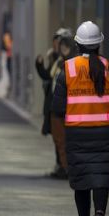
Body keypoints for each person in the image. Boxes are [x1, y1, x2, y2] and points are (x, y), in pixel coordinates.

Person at [52, 21, 109, 216]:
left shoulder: (68, 70)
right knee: (101, 178)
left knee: (82, 182)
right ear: (99, 45)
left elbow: (57, 108)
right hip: (105, 135)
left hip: (77, 136)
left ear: (77, 44)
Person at [36, 28, 74, 179]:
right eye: (57, 42)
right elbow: (48, 76)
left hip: (65, 107)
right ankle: (62, 166)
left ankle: (66, 168)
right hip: (55, 106)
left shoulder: (69, 61)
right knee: (58, 139)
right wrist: (39, 65)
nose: (58, 45)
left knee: (64, 140)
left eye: (62, 42)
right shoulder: (57, 60)